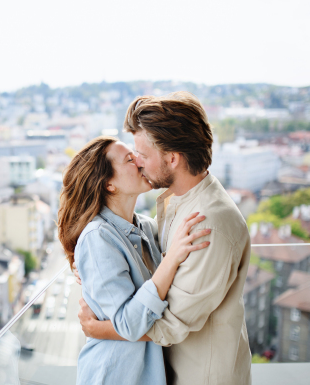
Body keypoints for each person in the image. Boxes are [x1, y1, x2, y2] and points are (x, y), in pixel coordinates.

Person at [77, 92, 252, 385]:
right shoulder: (175, 203)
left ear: (172, 158)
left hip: (201, 376)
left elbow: (170, 325)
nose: (138, 163)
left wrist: (99, 329)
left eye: (142, 156)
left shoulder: (208, 224)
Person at [58, 136, 211, 385]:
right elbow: (129, 324)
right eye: (130, 159)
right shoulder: (98, 237)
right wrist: (171, 259)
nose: (139, 162)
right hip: (113, 375)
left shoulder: (145, 228)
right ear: (109, 184)